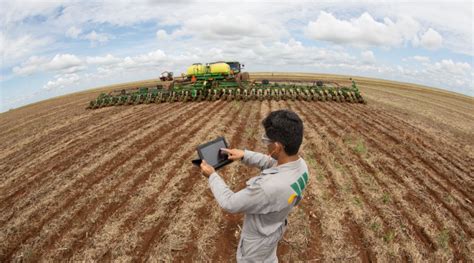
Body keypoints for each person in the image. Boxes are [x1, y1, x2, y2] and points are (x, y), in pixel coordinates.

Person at [200, 109, 309, 262]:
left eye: (267, 142)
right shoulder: (301, 166)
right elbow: (272, 163)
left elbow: (230, 203)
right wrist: (244, 155)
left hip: (256, 246)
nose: (266, 145)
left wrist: (212, 175)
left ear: (277, 147)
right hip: (273, 228)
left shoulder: (268, 188)